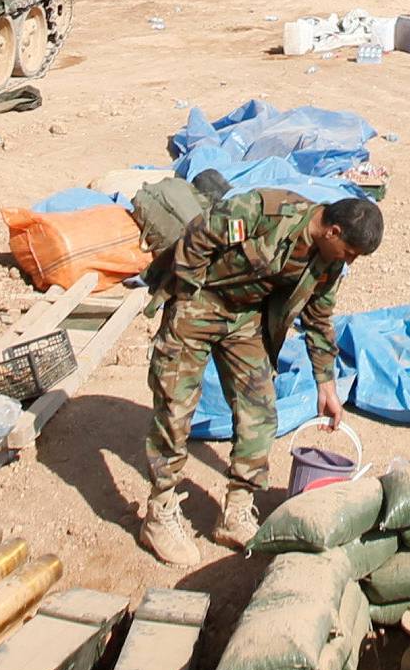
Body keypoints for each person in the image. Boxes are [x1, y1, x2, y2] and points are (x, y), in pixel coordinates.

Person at [140, 189, 385, 565]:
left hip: (245, 320)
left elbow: (319, 320)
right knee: (175, 408)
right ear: (333, 231)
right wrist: (187, 297)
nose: (350, 261)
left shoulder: (329, 262)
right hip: (201, 302)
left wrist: (326, 384)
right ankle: (159, 513)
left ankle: (236, 511)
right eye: (350, 252)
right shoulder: (265, 211)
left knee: (260, 412)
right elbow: (199, 236)